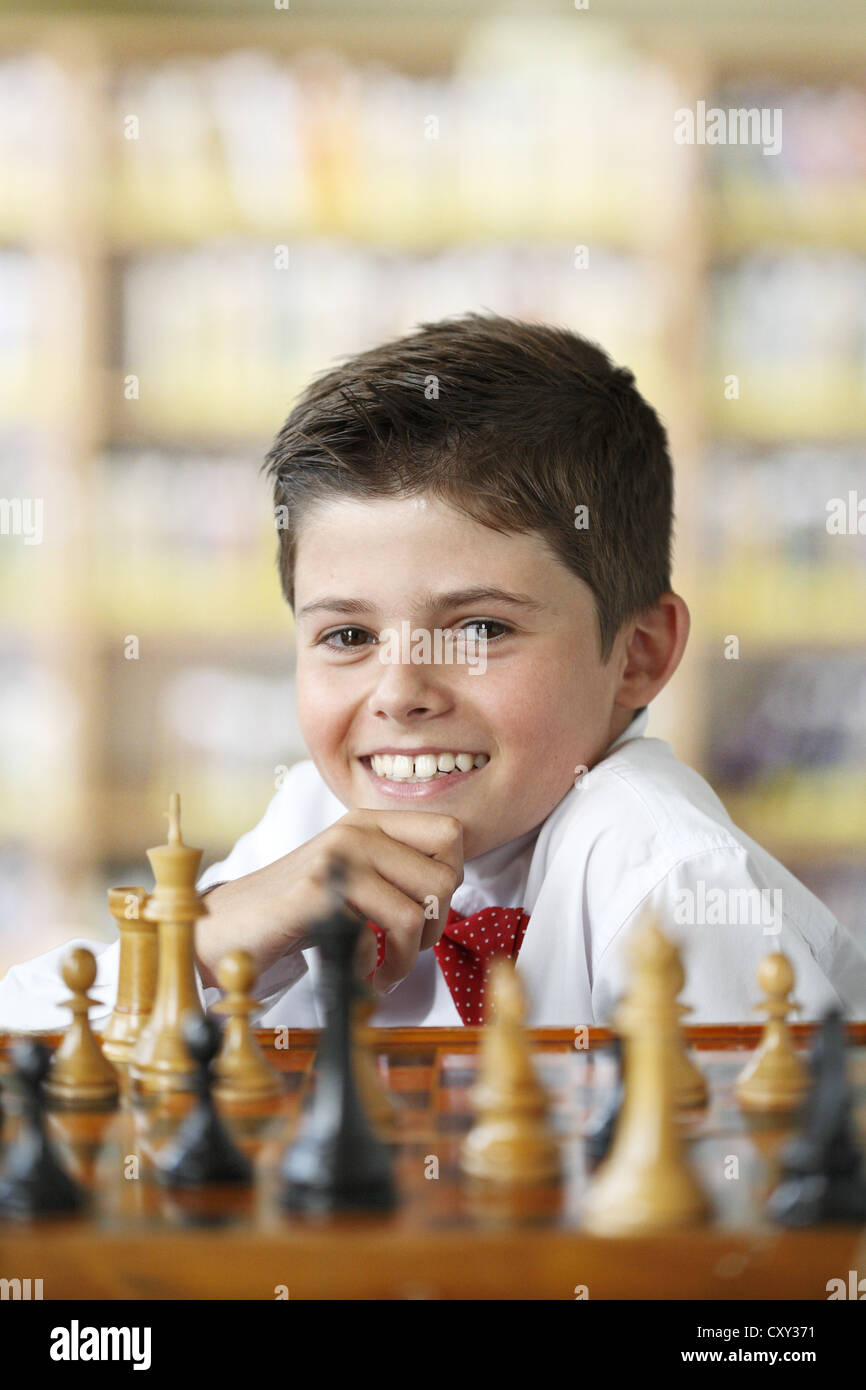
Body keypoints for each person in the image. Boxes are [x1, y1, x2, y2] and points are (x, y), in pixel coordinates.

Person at [3, 312, 864, 1030]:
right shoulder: (317, 814)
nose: (402, 694)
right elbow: (27, 1035)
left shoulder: (670, 879)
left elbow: (759, 1220)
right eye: (347, 637)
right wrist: (205, 938)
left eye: (481, 628)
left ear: (638, 655)